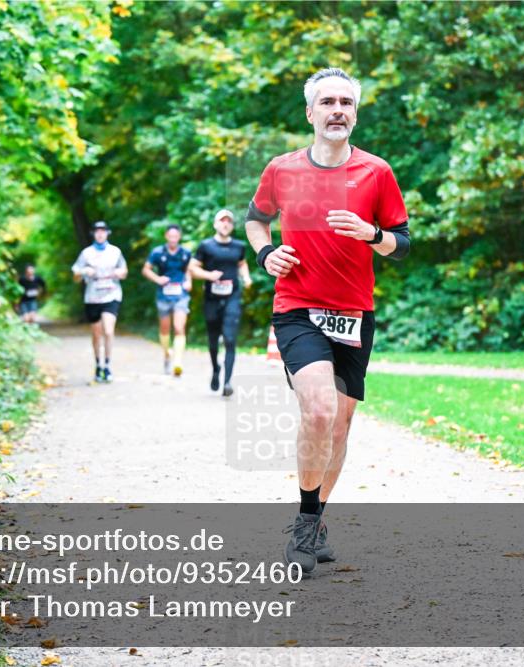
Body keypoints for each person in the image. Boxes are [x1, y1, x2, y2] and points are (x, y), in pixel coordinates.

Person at [244, 68, 411, 573]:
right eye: (328, 102)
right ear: (310, 113)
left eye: (346, 102)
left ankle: (315, 521)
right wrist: (265, 253)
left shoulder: (377, 172)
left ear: (355, 114)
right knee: (318, 410)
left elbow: (402, 244)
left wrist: (370, 233)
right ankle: (304, 522)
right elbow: (256, 219)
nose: (337, 110)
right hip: (296, 308)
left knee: (339, 426)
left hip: (355, 313)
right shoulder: (282, 169)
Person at [191, 209, 251, 397]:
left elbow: (242, 263)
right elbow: (193, 268)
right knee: (212, 339)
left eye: (228, 221)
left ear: (232, 226)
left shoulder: (239, 246)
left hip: (232, 296)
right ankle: (216, 369)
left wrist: (246, 277)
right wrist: (208, 275)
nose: (225, 224)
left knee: (230, 338)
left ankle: (227, 382)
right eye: (222, 221)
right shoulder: (206, 246)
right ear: (215, 224)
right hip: (211, 298)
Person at [71, 221, 128, 383]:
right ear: (93, 234)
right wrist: (84, 271)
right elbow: (75, 276)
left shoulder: (115, 251)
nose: (100, 234)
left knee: (108, 331)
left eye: (103, 231)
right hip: (92, 297)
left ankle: (107, 365)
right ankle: (98, 365)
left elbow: (124, 271)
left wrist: (119, 273)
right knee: (96, 334)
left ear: (107, 233)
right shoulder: (86, 253)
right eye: (97, 231)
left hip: (111, 295)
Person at [142, 224, 193, 376]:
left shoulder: (185, 253)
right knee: (164, 329)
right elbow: (145, 269)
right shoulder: (157, 252)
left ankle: (177, 362)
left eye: (175, 236)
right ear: (166, 236)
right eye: (170, 236)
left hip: (181, 295)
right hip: (163, 295)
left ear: (179, 237)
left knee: (179, 327)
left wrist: (189, 281)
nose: (173, 239)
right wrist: (157, 279)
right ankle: (166, 354)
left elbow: (189, 270)